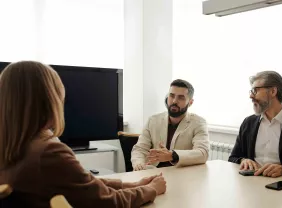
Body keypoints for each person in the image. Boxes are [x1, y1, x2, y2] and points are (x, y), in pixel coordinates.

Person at [0, 61, 166, 207]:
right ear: (50, 99)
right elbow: (107, 203)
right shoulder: (48, 153)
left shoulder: (14, 147)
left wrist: (133, 184)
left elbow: (82, 185)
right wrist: (150, 190)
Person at [228, 71, 282, 177]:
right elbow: (233, 157)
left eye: (255, 90)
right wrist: (243, 160)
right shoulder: (248, 123)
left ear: (273, 91)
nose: (251, 96)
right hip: (250, 183)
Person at [131, 79, 210, 171]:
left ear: (190, 102)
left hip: (181, 175)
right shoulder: (153, 120)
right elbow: (140, 149)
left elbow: (203, 153)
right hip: (152, 172)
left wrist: (172, 156)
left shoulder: (198, 123)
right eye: (171, 96)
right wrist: (138, 163)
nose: (174, 101)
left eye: (181, 97)